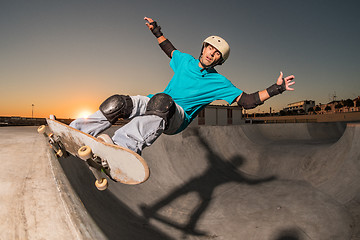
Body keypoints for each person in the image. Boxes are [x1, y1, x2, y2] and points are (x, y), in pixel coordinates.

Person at [70, 17, 295, 155]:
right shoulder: (185, 60)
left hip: (176, 117)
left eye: (216, 54)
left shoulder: (219, 82)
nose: (211, 54)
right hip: (155, 104)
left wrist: (277, 89)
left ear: (219, 60)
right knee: (118, 103)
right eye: (210, 48)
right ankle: (78, 130)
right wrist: (155, 30)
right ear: (203, 47)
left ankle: (122, 148)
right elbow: (168, 48)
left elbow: (247, 101)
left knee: (163, 101)